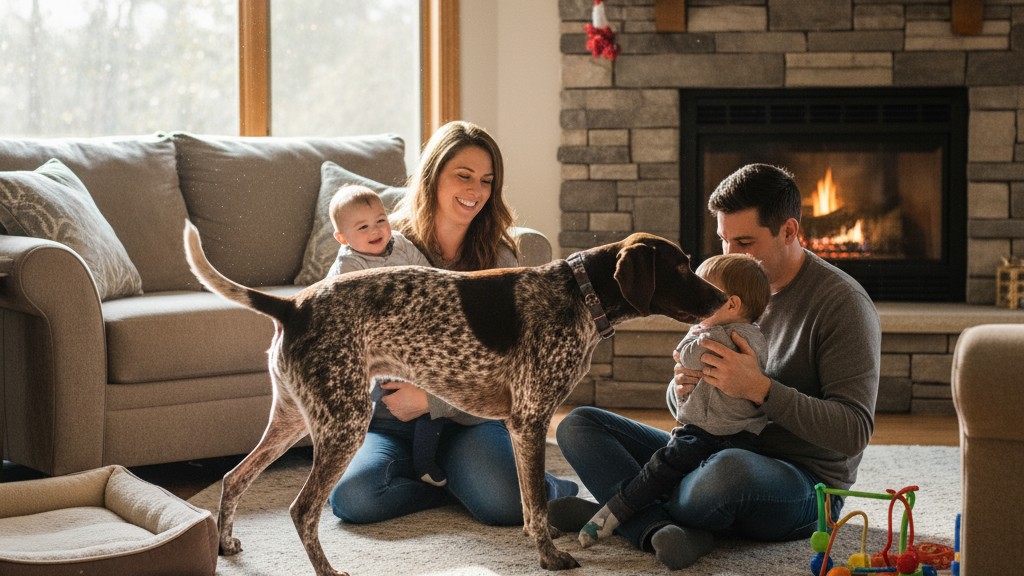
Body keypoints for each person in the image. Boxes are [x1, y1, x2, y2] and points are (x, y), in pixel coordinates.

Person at [553, 163, 880, 569]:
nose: (731, 256)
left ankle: (620, 508)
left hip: (799, 481)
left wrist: (759, 389)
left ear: (790, 232)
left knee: (725, 474)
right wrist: (682, 388)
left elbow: (853, 432)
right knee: (580, 426)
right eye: (724, 241)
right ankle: (655, 527)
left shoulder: (843, 305)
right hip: (703, 446)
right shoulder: (720, 288)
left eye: (745, 242)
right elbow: (685, 408)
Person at [328, 120, 578, 526]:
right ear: (433, 176)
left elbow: (517, 373)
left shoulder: (500, 262)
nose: (475, 191)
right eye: (463, 176)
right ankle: (449, 485)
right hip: (391, 424)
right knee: (354, 500)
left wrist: (432, 401)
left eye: (486, 181)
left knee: (505, 505)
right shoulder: (380, 245)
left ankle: (512, 482)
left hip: (468, 422)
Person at [577, 253, 770, 548]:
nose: (696, 300)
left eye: (705, 293)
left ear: (732, 304)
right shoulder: (752, 335)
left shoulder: (721, 336)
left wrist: (692, 332)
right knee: (584, 427)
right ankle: (643, 517)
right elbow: (686, 384)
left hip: (710, 437)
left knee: (661, 469)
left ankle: (614, 513)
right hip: (734, 438)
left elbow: (688, 355)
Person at [324, 183, 448, 486]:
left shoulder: (402, 244)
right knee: (380, 393)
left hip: (413, 346)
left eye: (380, 220)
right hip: (378, 354)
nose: (375, 230)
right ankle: (366, 449)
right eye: (363, 227)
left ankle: (425, 463)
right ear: (343, 238)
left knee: (431, 404)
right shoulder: (348, 264)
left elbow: (429, 277)